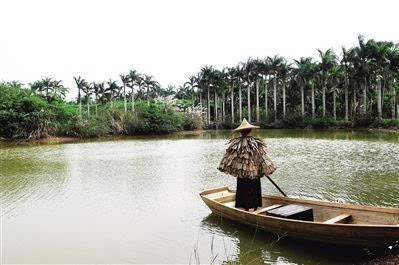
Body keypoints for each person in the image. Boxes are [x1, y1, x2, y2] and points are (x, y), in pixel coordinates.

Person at [218, 119, 277, 211]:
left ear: (241, 132)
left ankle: (246, 210)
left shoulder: (236, 144)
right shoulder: (256, 144)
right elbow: (263, 158)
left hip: (243, 174)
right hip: (254, 173)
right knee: (255, 188)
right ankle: (255, 209)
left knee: (244, 190)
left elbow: (228, 160)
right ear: (250, 131)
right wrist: (264, 170)